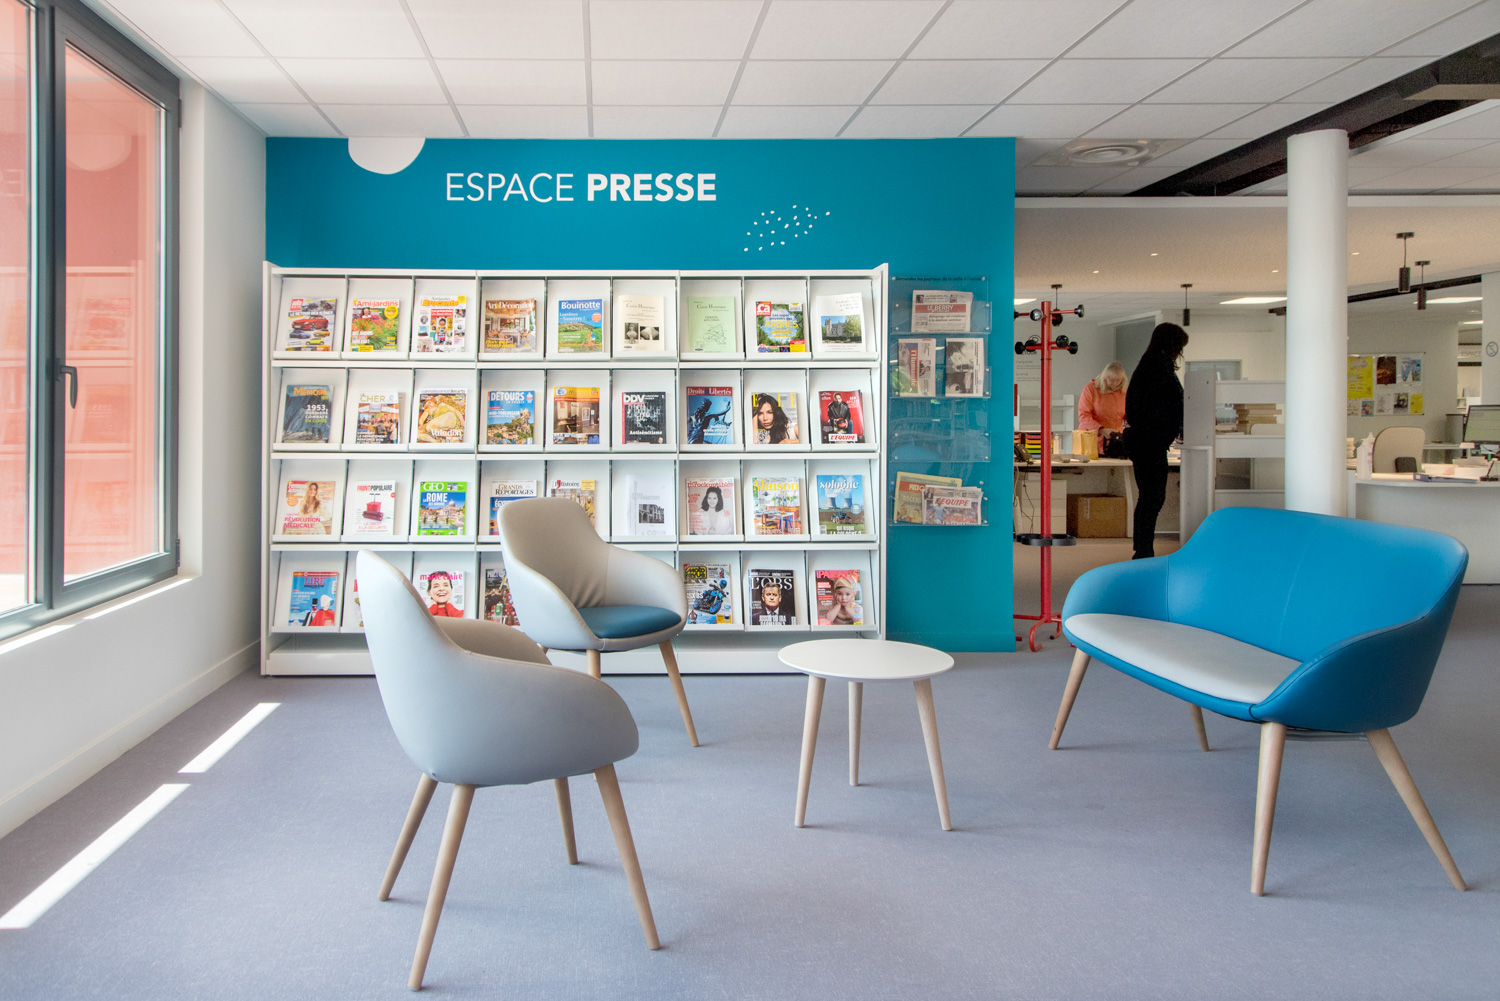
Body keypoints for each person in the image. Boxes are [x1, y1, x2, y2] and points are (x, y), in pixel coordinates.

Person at [1124, 323, 1188, 559]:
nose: (1179, 352)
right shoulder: (1156, 369)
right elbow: (1166, 405)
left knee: (1149, 498)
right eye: (1178, 346)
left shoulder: (1151, 365)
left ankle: (1143, 548)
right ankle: (1143, 549)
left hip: (1147, 442)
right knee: (1152, 498)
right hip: (1149, 443)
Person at [1079, 361, 1128, 440]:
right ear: (1104, 378)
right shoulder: (1091, 389)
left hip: (1115, 437)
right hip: (1091, 438)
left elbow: (1128, 413)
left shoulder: (1124, 391)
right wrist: (1101, 430)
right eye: (1111, 380)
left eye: (1118, 380)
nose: (1115, 383)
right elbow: (1084, 415)